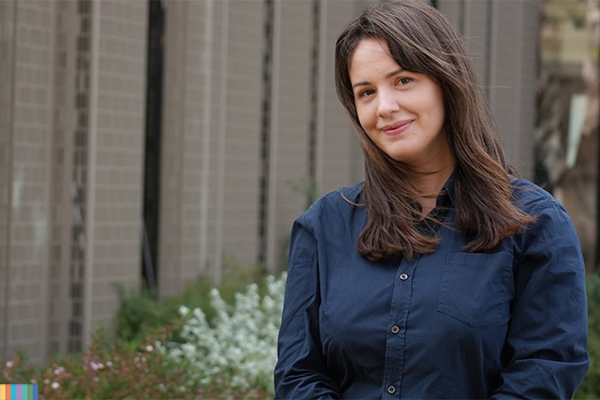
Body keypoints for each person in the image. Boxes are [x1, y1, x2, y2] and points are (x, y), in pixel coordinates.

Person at [274, 1, 589, 399]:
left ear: (446, 81)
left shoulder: (535, 224)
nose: (385, 107)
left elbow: (545, 372)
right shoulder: (324, 226)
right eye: (366, 92)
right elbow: (298, 374)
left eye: (403, 80)